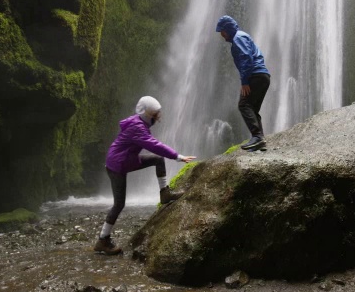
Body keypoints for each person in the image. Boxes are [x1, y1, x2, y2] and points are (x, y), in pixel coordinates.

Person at [94, 96, 196, 255]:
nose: (158, 117)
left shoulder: (138, 122)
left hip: (127, 160)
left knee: (157, 160)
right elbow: (154, 145)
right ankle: (103, 240)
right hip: (117, 165)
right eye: (155, 114)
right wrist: (177, 156)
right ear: (147, 115)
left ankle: (165, 194)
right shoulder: (137, 128)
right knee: (119, 204)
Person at [216, 15, 271, 151]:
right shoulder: (241, 36)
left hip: (255, 76)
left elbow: (246, 58)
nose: (221, 35)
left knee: (244, 104)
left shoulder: (238, 37)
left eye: (222, 31)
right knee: (252, 109)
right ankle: (261, 141)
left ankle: (257, 137)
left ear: (227, 29)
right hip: (263, 76)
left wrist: (245, 81)